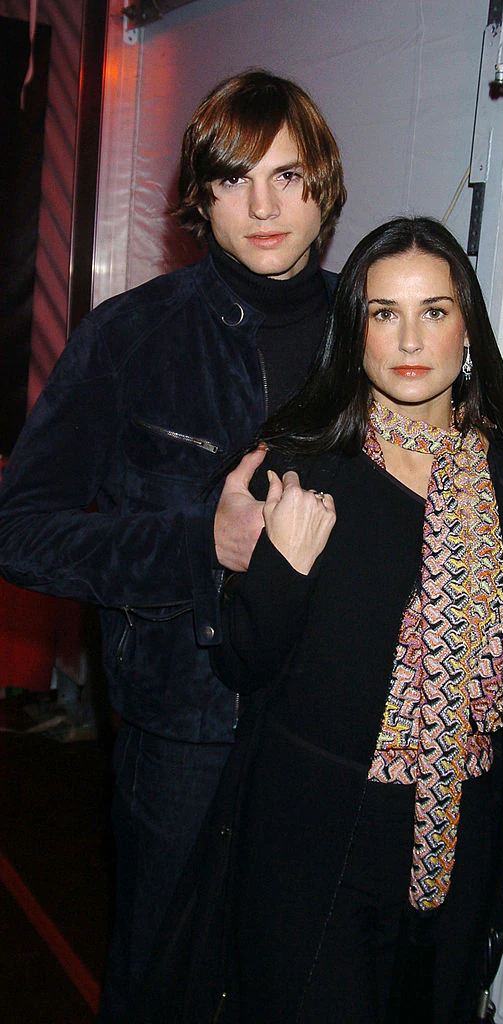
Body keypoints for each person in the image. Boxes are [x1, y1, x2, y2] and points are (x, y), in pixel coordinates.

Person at [133, 216, 503, 1024]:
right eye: (382, 312)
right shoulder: (304, 463)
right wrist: (284, 568)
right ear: (354, 331)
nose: (409, 338)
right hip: (322, 835)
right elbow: (242, 665)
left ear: (466, 328)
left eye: (434, 311)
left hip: (460, 835)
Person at [0, 70, 345, 1022]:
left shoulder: (371, 334)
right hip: (187, 725)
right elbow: (21, 532)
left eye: (288, 175)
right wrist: (204, 548)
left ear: (324, 185)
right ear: (200, 198)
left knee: (296, 973)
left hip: (332, 723)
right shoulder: (129, 338)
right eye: (235, 180)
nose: (265, 206)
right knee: (160, 974)